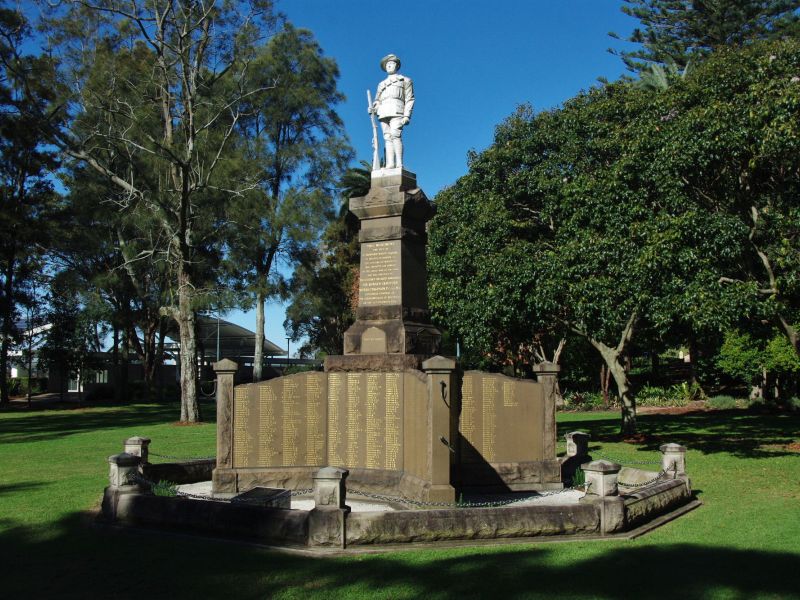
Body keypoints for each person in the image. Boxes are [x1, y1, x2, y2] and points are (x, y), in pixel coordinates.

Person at [370, 53, 414, 169]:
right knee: (387, 137)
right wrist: (373, 108)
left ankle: (399, 163)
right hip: (383, 112)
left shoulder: (405, 80)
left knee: (396, 135)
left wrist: (407, 115)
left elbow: (410, 99)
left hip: (397, 110)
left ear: (397, 65)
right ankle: (390, 163)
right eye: (387, 64)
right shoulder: (381, 84)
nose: (389, 65)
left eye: (391, 63)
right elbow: (377, 101)